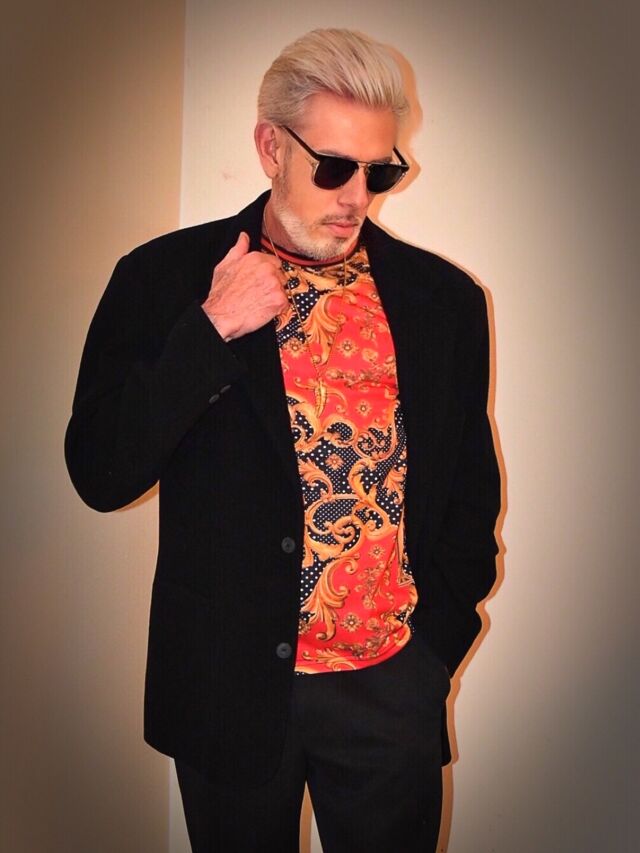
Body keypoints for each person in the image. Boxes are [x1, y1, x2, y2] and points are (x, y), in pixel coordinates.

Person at [65, 28, 500, 853]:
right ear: (271, 147)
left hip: (387, 691)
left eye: (379, 172)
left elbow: (469, 494)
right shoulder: (162, 280)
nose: (356, 197)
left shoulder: (444, 302)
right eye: (333, 167)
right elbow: (99, 470)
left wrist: (431, 655)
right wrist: (208, 330)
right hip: (225, 691)